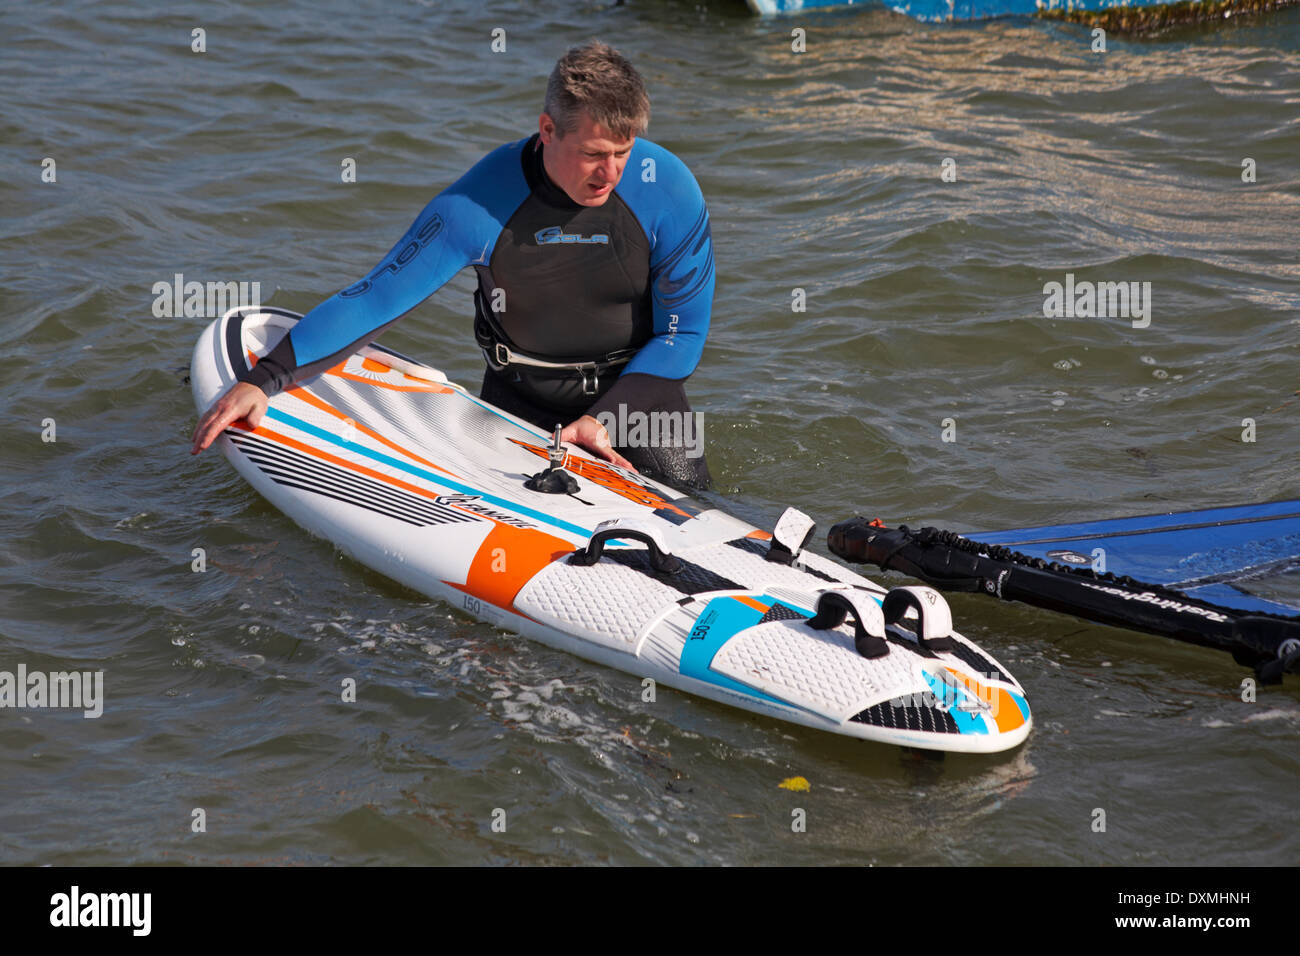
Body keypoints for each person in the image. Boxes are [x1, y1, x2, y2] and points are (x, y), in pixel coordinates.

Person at [191, 41, 715, 490]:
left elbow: (681, 335)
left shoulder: (666, 188)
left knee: (700, 508)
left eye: (623, 152)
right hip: (520, 401)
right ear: (548, 129)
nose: (611, 173)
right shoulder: (479, 203)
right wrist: (266, 378)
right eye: (594, 153)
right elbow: (377, 297)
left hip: (640, 401)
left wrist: (600, 420)